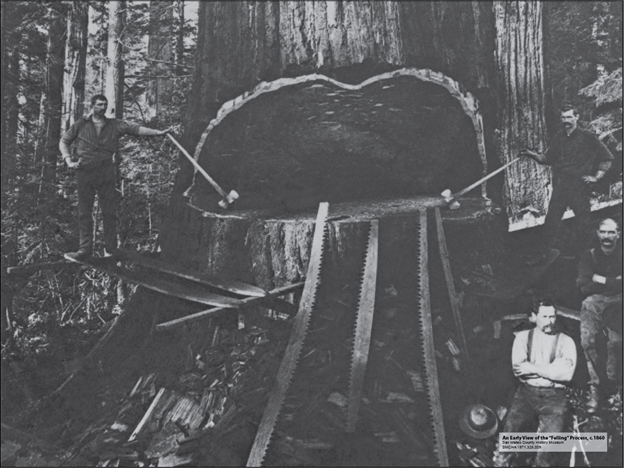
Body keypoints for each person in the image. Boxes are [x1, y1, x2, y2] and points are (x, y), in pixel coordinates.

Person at [60, 94, 172, 260]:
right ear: (92, 106)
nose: (102, 107)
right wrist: (69, 161)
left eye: (105, 104)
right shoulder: (81, 124)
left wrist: (158, 133)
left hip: (105, 171)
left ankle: (111, 247)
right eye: (99, 105)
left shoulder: (114, 125)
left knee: (109, 211)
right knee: (85, 212)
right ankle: (84, 250)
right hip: (85, 171)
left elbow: (135, 129)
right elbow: (64, 141)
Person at [521, 104, 613, 262]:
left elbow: (607, 157)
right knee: (551, 220)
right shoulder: (559, 137)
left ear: (577, 117)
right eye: (563, 117)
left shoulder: (588, 137)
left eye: (570, 117)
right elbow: (546, 159)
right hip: (561, 185)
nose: (566, 120)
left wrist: (596, 177)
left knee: (583, 222)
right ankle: (543, 254)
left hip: (579, 186)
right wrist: (531, 154)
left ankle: (590, 257)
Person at [497, 300, 577, 467]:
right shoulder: (522, 338)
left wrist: (532, 368)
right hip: (526, 394)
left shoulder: (566, 341)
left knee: (547, 450)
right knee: (510, 437)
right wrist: (551, 370)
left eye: (553, 316)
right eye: (545, 316)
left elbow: (565, 375)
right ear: (533, 317)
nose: (550, 321)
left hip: (555, 399)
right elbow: (519, 370)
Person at [576, 217, 622, 413]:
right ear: (597, 233)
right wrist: (613, 281)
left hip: (619, 301)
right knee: (588, 340)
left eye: (611, 232)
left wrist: (598, 278)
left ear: (618, 235)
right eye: (603, 232)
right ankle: (595, 387)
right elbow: (582, 286)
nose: (607, 237)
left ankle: (613, 386)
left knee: (616, 342)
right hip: (594, 302)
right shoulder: (589, 256)